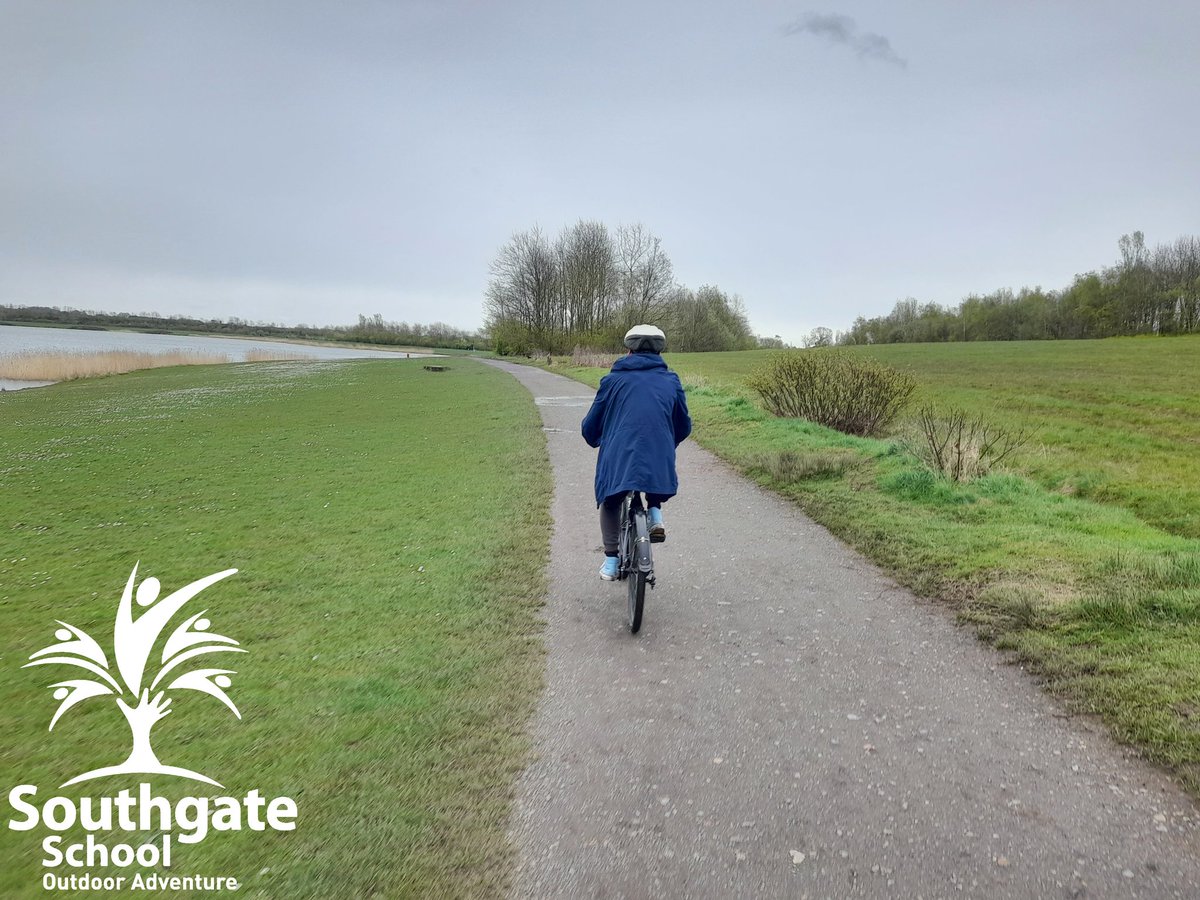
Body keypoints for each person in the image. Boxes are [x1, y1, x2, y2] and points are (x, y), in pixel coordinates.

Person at [581, 324, 692, 581]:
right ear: (660, 352)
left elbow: (592, 424)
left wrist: (593, 436)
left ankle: (610, 561)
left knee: (611, 499)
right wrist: (667, 441)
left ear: (628, 350)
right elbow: (684, 425)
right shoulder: (671, 381)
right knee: (652, 467)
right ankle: (655, 513)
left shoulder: (612, 380)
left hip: (619, 452)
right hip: (658, 452)